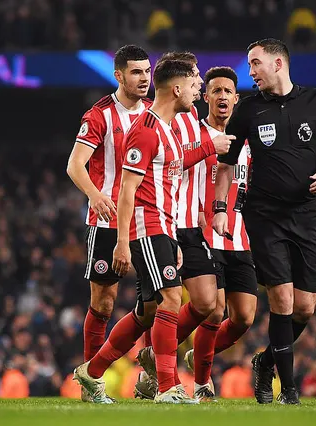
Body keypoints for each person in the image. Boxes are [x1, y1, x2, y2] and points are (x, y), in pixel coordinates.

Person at [74, 59, 231, 404]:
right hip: (145, 225)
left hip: (164, 226)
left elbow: (170, 184)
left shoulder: (168, 128)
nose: (197, 92)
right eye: (193, 86)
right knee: (171, 298)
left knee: (149, 310)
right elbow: (127, 191)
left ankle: (92, 371)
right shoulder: (145, 130)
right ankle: (166, 387)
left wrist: (173, 237)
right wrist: (121, 244)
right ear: (176, 89)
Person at [211, 38, 316, 404]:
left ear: (277, 63)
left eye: (255, 63)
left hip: (306, 216)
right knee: (282, 300)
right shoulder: (249, 109)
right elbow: (226, 165)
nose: (251, 71)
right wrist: (221, 208)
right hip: (264, 216)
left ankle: (266, 361)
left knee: (305, 307)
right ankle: (288, 391)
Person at [134, 53, 235, 400]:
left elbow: (200, 172)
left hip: (194, 222)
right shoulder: (167, 118)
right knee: (162, 305)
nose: (200, 83)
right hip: (166, 222)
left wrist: (210, 210)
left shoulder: (191, 114)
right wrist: (209, 146)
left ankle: (155, 362)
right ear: (181, 83)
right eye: (196, 77)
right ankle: (152, 375)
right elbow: (174, 161)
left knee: (206, 304)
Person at [66, 44, 152, 403]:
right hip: (107, 221)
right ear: (119, 75)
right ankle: (92, 383)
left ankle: (154, 376)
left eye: (148, 71)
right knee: (103, 303)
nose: (144, 78)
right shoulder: (99, 115)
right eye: (136, 72)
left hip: (149, 219)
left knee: (159, 301)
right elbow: (75, 165)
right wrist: (96, 195)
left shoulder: (155, 113)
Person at [181, 66, 258, 401]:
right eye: (216, 90)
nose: (222, 96)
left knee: (243, 318)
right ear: (206, 96)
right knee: (213, 309)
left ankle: (197, 352)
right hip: (202, 235)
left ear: (236, 98)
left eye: (228, 91)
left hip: (240, 238)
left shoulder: (248, 142)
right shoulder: (193, 134)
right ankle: (201, 382)